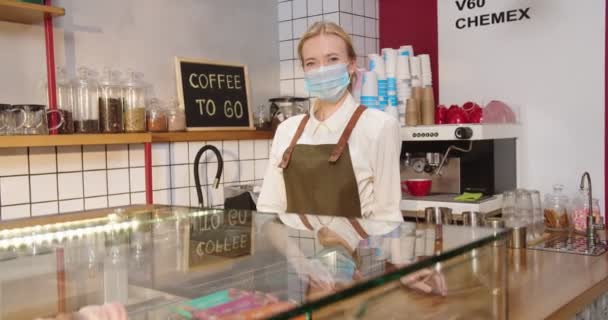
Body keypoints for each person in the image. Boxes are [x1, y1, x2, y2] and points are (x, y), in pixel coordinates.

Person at [257, 22, 402, 222]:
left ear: (351, 65)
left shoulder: (379, 126)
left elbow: (388, 215)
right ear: (304, 70)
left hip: (357, 251)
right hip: (298, 250)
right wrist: (287, 252)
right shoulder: (287, 130)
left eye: (332, 59)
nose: (321, 70)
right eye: (311, 63)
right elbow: (269, 209)